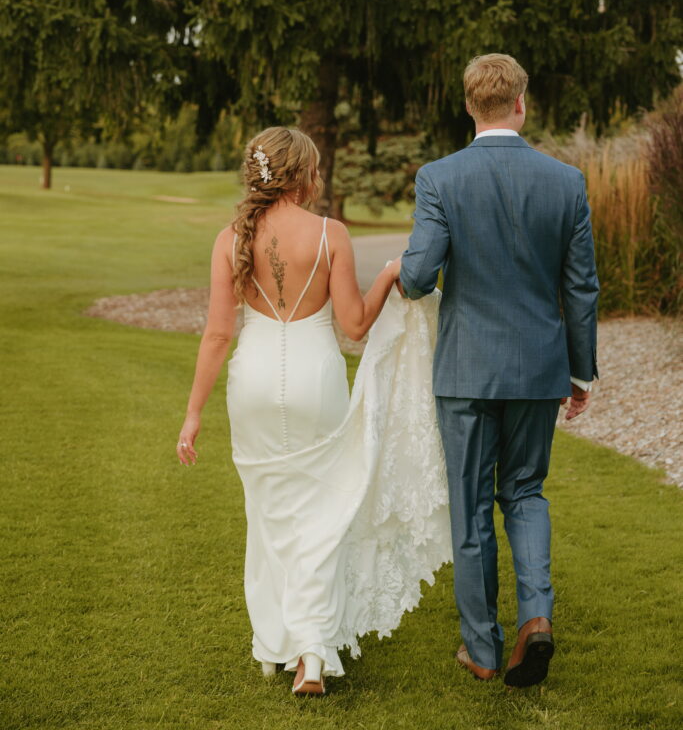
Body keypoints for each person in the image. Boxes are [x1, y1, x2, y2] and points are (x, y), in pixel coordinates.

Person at [176, 127, 451, 696]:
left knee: (269, 516)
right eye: (316, 169)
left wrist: (193, 414)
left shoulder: (231, 239)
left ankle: (275, 644)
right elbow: (354, 325)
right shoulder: (331, 234)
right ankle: (312, 655)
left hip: (251, 382)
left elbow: (217, 334)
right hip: (315, 379)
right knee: (322, 517)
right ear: (301, 174)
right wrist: (390, 275)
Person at [400, 53, 599, 687]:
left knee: (470, 507)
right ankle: (535, 617)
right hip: (540, 368)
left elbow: (417, 273)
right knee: (525, 491)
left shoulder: (439, 177)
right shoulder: (565, 182)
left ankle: (481, 650)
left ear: (468, 106)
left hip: (465, 372)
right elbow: (582, 289)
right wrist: (581, 372)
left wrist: (402, 274)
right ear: (521, 103)